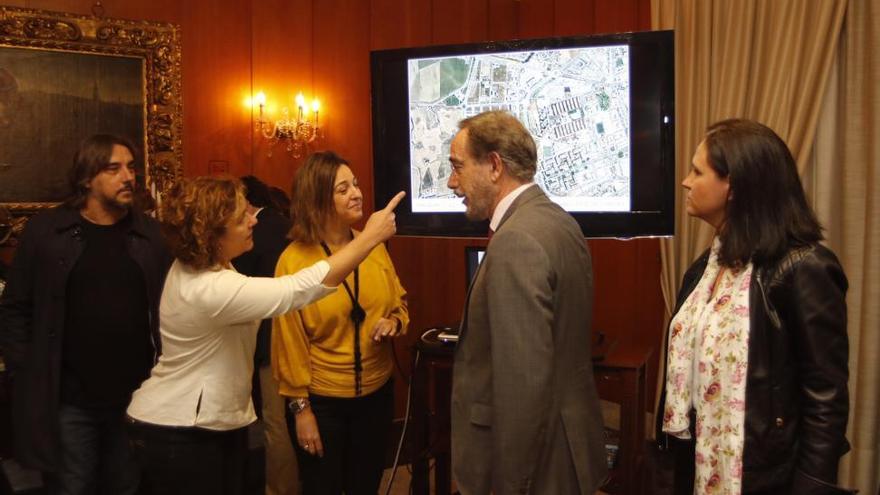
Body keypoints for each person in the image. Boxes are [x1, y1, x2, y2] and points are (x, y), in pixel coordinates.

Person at [125, 176, 403, 495]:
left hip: (199, 425)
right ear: (214, 233)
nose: (253, 220)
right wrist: (368, 238)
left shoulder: (204, 265)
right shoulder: (211, 288)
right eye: (242, 216)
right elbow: (297, 290)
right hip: (182, 430)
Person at [657, 119, 852, 495]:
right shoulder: (706, 267)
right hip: (698, 466)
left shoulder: (803, 268)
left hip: (768, 477)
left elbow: (825, 394)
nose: (685, 181)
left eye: (697, 171)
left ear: (734, 187)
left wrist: (813, 484)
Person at [445, 110, 607, 494]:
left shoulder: (516, 241)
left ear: (495, 165)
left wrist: (513, 484)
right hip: (565, 448)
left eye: (457, 167)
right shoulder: (559, 220)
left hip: (536, 467)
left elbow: (523, 384)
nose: (452, 183)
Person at [0, 134, 170, 494]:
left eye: (131, 167)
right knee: (72, 487)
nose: (128, 177)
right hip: (68, 400)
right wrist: (25, 370)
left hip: (135, 397)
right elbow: (16, 308)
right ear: (86, 178)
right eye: (114, 168)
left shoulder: (150, 236)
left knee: (126, 486)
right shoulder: (47, 232)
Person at [273, 151, 409, 494]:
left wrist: (393, 321)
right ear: (318, 198)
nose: (357, 194)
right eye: (343, 189)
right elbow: (289, 343)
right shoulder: (294, 260)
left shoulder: (373, 248)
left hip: (376, 398)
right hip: (323, 405)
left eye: (357, 184)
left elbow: (399, 302)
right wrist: (301, 412)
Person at [230, 175, 298, 495]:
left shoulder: (253, 234)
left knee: (276, 423)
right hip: (299, 331)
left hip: (272, 336)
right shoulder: (286, 223)